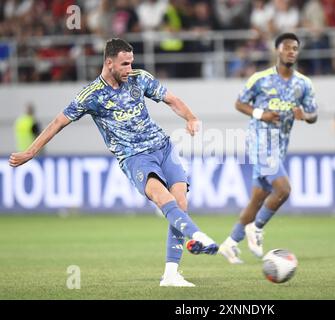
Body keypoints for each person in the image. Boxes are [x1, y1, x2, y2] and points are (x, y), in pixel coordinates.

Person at [9, 38, 218, 287]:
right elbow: (57, 123)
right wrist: (31, 151)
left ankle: (171, 275)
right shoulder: (92, 95)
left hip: (164, 147)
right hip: (135, 157)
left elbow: (171, 99)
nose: (129, 68)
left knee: (180, 204)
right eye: (124, 64)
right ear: (109, 63)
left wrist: (191, 118)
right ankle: (198, 235)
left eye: (131, 63)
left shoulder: (139, 78)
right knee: (165, 200)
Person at [218, 33, 318, 264]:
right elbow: (239, 102)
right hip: (260, 143)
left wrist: (305, 115)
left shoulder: (303, 84)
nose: (292, 51)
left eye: (295, 48)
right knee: (283, 190)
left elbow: (313, 114)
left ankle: (230, 244)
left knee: (257, 200)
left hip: (280, 145)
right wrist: (260, 113)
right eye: (287, 47)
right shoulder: (260, 79)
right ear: (277, 50)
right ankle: (257, 227)